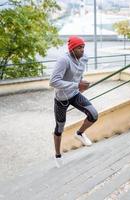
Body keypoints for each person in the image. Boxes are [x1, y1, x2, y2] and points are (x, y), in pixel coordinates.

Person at [49, 36, 98, 168]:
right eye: (79, 48)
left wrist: (83, 84)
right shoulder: (63, 60)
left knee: (93, 115)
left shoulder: (84, 58)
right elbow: (53, 82)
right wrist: (76, 84)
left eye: (83, 47)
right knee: (59, 128)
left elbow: (78, 74)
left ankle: (80, 133)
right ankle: (58, 155)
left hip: (75, 94)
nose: (82, 50)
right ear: (71, 49)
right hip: (61, 99)